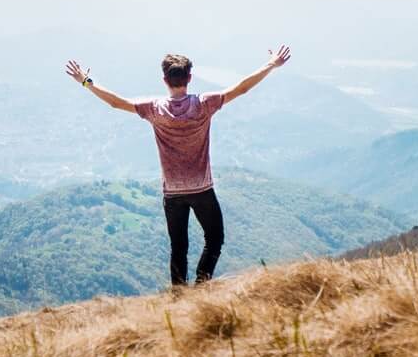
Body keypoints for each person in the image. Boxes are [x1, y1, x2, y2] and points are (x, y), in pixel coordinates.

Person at [64, 46, 292, 290]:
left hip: (172, 193)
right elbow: (242, 88)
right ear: (190, 78)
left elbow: (116, 103)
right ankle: (202, 286)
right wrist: (271, 64)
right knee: (215, 239)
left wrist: (85, 81)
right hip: (202, 189)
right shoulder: (204, 104)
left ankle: (178, 297)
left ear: (165, 80)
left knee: (178, 247)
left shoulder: (154, 108)